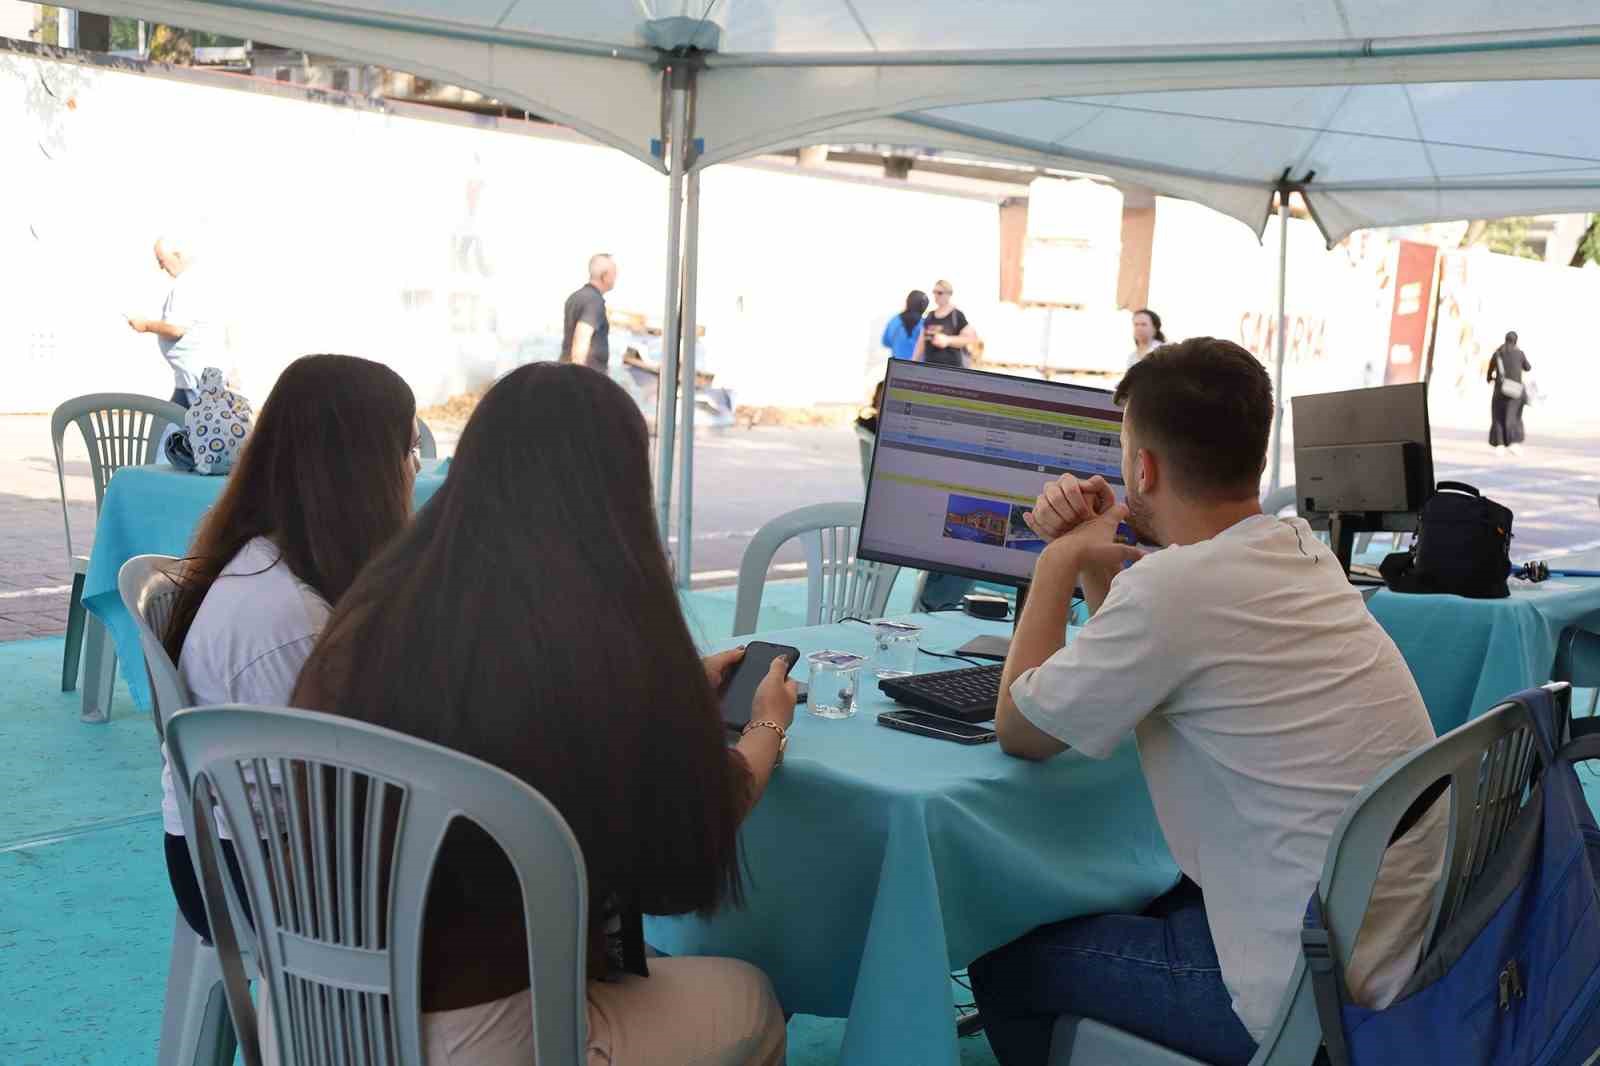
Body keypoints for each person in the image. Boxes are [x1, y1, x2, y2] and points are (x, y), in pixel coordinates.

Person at [292, 362, 793, 1065]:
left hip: (318, 1014)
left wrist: (668, 701)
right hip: (486, 1031)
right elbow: (677, 861)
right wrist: (766, 725)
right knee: (751, 1000)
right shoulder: (589, 642)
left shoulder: (377, 604)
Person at [970, 338, 1445, 1066]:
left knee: (1000, 957)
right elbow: (1133, 668)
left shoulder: (1177, 591)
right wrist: (1102, 559)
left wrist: (1058, 559)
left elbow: (1021, 728)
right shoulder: (1299, 549)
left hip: (1304, 1001)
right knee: (1127, 895)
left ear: (1143, 467)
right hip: (1390, 950)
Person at [160, 353, 421, 942]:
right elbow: (359, 790)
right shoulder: (294, 617)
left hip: (232, 850)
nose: (413, 471)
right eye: (407, 450)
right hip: (253, 875)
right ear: (363, 472)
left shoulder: (271, 560)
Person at [126, 235, 217, 408]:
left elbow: (176, 329)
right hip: (190, 378)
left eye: (161, 260)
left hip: (195, 380)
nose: (161, 267)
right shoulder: (198, 279)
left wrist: (145, 325)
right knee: (171, 428)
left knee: (181, 429)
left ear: (177, 255)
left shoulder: (186, 284)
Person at [561, 253, 617, 371]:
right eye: (614, 273)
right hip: (587, 379)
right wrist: (579, 380)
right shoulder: (594, 302)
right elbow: (581, 341)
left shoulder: (574, 297)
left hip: (566, 371)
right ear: (604, 276)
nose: (615, 278)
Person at [912, 279, 978, 367]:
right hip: (930, 367)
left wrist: (948, 340)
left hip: (951, 369)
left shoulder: (956, 315)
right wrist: (913, 362)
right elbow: (920, 343)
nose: (936, 295)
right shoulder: (930, 316)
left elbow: (971, 338)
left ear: (949, 294)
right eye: (934, 292)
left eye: (939, 293)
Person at [1487, 330, 1531, 454]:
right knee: (1513, 416)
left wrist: (1490, 378)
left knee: (1498, 416)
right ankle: (1513, 443)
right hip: (1515, 391)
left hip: (1500, 390)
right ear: (1516, 341)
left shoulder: (1498, 353)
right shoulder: (1520, 353)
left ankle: (1500, 444)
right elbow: (1528, 367)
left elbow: (1490, 369)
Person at [882, 290, 929, 361]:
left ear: (908, 302)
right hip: (919, 368)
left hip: (898, 367)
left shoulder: (894, 321)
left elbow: (886, 342)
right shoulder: (925, 324)